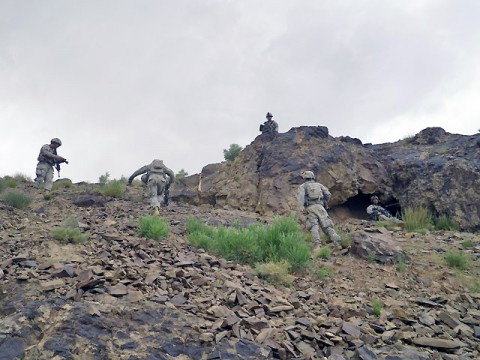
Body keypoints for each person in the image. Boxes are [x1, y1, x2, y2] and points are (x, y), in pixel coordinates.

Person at [298, 170, 341, 247]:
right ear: (313, 177)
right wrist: (324, 202)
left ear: (305, 178)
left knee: (313, 225)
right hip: (320, 207)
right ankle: (336, 239)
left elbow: (301, 197)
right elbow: (328, 194)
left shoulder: (303, 186)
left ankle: (317, 244)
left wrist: (301, 207)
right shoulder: (319, 185)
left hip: (310, 208)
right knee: (327, 224)